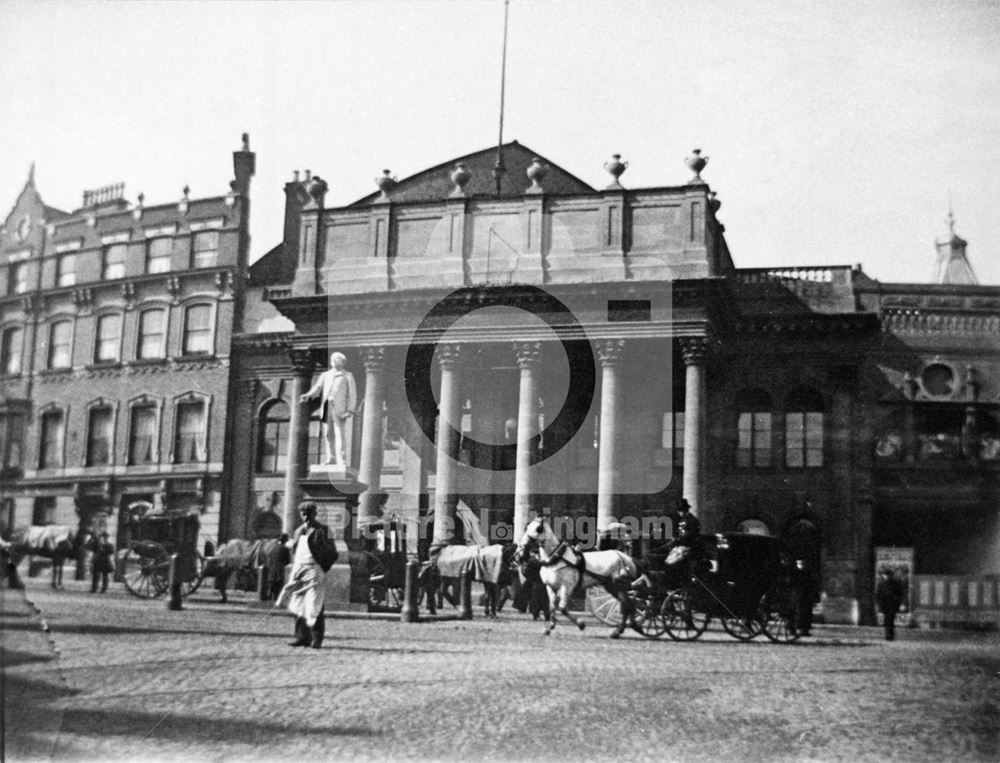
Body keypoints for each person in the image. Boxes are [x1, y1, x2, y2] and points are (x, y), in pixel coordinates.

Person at [277, 503, 335, 649]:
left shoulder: (323, 530)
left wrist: (322, 567)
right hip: (299, 570)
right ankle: (302, 637)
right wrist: (286, 543)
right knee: (298, 603)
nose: (306, 516)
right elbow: (295, 549)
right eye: (303, 514)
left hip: (315, 571)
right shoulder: (298, 531)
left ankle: (317, 638)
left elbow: (332, 551)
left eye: (309, 513)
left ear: (315, 514)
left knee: (314, 604)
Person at [300, 352, 357, 467]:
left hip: (339, 409)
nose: (334, 361)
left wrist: (350, 410)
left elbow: (352, 394)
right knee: (328, 433)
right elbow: (317, 387)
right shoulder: (325, 375)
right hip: (326, 407)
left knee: (339, 433)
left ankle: (341, 459)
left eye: (337, 359)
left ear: (342, 362)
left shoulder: (347, 376)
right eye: (333, 359)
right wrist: (308, 395)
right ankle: (331, 457)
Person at [875, 567, 904, 641]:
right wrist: (898, 603)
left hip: (885, 605)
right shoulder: (896, 583)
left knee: (887, 620)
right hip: (892, 605)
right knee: (891, 620)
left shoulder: (882, 583)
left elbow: (878, 594)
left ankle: (888, 634)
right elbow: (900, 594)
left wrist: (879, 603)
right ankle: (890, 635)